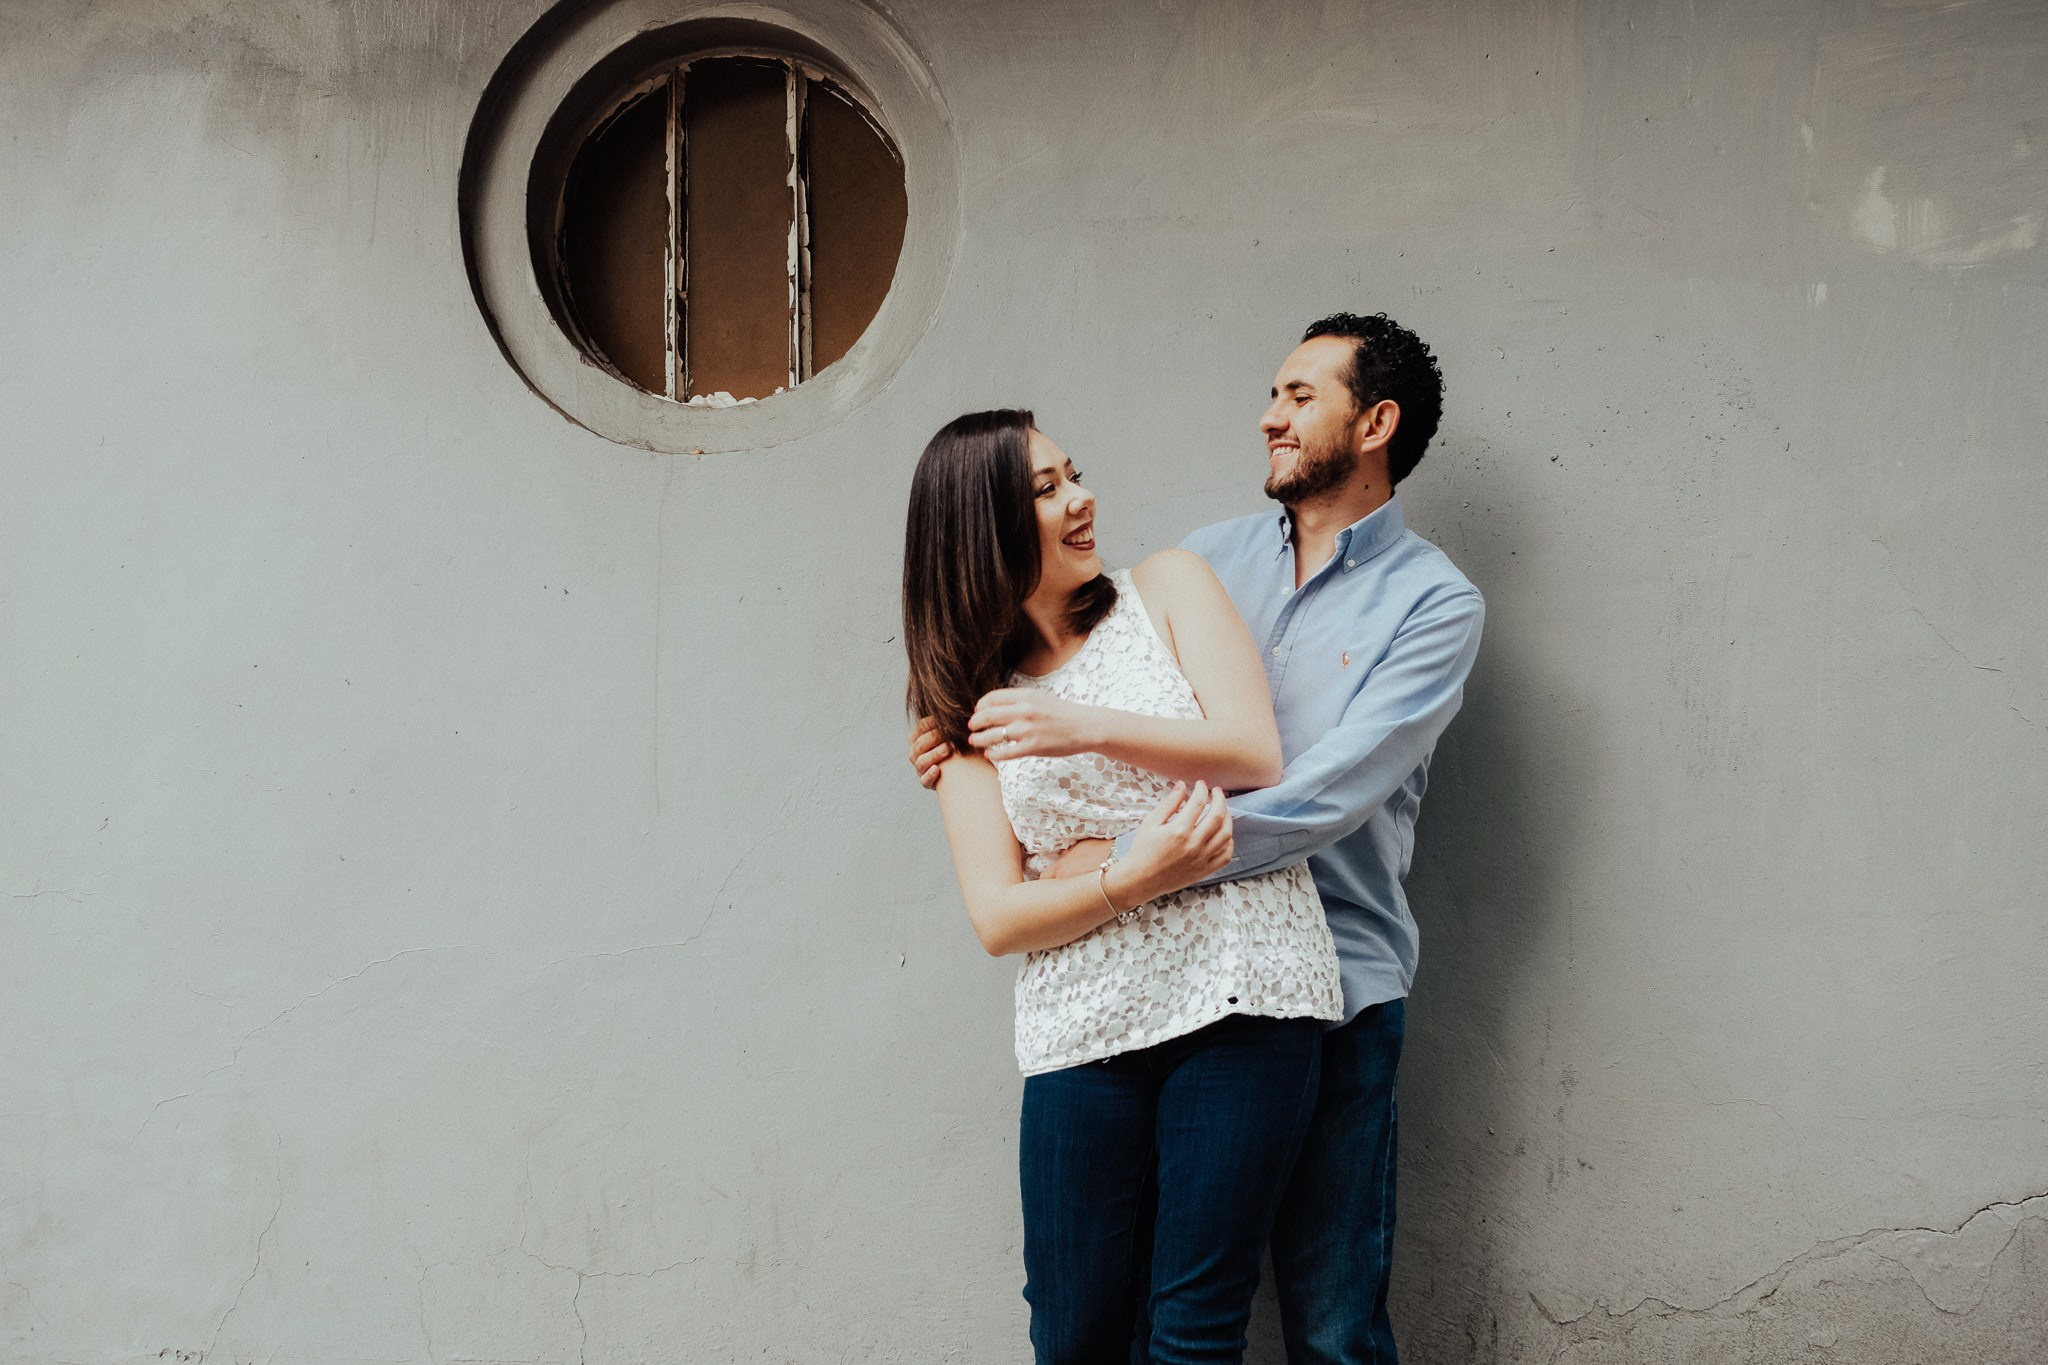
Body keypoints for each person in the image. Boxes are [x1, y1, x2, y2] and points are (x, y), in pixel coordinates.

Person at [915, 315, 1484, 1364]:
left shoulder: (1433, 604)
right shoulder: (1204, 560)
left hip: (1336, 974)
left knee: (1327, 1320)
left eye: (1300, 395)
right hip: (1119, 997)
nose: (1269, 414)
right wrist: (971, 752)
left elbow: (1316, 792)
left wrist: (1138, 860)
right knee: (1095, 1319)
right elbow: (1075, 695)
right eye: (1273, 391)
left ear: (1376, 423)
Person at [901, 408, 1344, 1364]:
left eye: (1074, 473)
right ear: (980, 527)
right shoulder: (960, 704)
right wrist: (1126, 875)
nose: (1081, 498)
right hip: (1081, 1031)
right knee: (1073, 1337)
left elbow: (1250, 750)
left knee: (1191, 1332)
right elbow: (998, 914)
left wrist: (1081, 725)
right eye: (1046, 489)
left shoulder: (1168, 587)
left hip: (1241, 997)